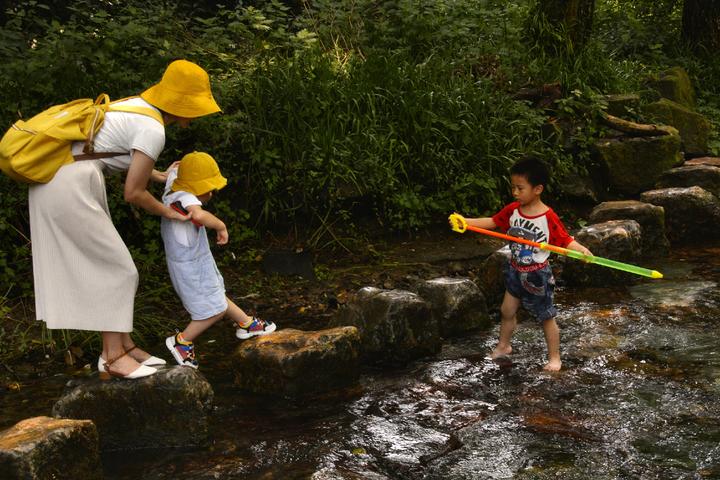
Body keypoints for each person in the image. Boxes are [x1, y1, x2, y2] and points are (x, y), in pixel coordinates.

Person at [28, 59, 222, 379]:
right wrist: (171, 214)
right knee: (119, 268)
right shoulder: (153, 128)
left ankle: (125, 347)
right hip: (66, 184)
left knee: (113, 265)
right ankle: (113, 356)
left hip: (71, 178)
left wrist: (160, 176)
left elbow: (115, 156)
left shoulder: (137, 106)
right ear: (185, 105)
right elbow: (133, 193)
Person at [455, 157, 592, 371]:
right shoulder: (513, 210)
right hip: (515, 270)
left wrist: (581, 250)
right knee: (506, 310)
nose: (515, 193)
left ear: (537, 189)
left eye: (520, 188)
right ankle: (503, 346)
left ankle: (555, 358)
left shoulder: (548, 217)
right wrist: (466, 222)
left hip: (538, 275)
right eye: (513, 188)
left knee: (546, 317)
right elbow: (492, 221)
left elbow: (565, 240)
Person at [161, 151, 276, 369]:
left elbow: (175, 172)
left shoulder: (174, 185)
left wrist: (173, 170)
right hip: (189, 266)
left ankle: (246, 323)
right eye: (209, 189)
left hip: (194, 260)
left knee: (216, 293)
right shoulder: (185, 197)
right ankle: (182, 341)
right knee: (212, 309)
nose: (212, 193)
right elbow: (198, 215)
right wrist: (221, 226)